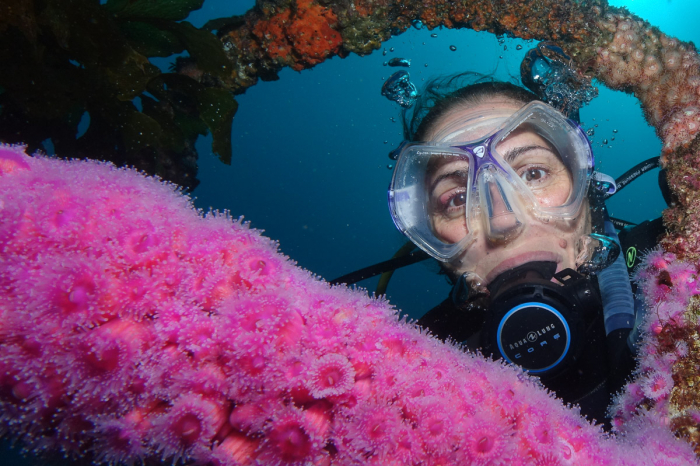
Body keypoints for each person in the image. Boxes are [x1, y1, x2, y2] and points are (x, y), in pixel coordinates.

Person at [387, 77, 648, 426]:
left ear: (586, 191)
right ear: (431, 238)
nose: (504, 219)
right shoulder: (409, 372)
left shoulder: (670, 267)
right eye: (458, 198)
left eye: (534, 172)